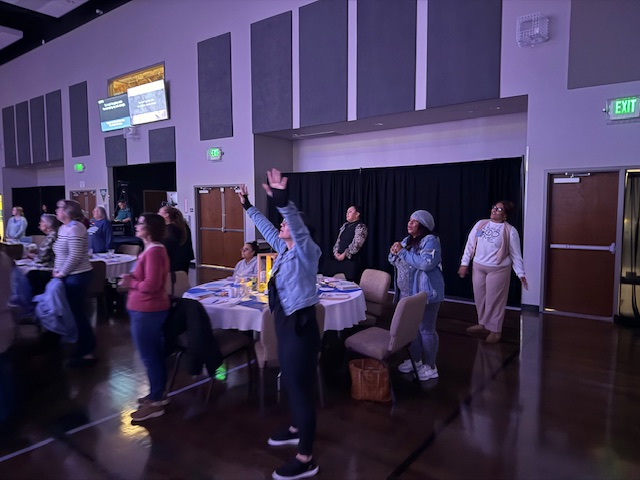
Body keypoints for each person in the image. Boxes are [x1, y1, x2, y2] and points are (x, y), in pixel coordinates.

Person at [237, 169, 322, 480]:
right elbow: (268, 227)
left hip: (300, 327)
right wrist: (248, 205)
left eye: (287, 223)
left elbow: (294, 226)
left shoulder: (307, 251)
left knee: (300, 389)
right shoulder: (285, 250)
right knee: (290, 381)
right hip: (286, 325)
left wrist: (284, 202)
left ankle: (306, 458)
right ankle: (296, 428)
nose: (282, 226)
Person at [118, 213, 170, 422]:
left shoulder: (154, 251)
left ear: (150, 229)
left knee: (150, 357)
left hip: (148, 310)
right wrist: (132, 278)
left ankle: (156, 403)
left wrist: (130, 283)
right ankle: (157, 394)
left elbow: (151, 285)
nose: (136, 226)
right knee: (154, 355)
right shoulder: (150, 249)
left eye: (141, 223)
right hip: (145, 309)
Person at [457, 201, 528, 344]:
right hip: (478, 266)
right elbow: (470, 244)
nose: (494, 210)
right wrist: (464, 263)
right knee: (480, 297)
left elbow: (515, 255)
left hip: (498, 269)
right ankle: (482, 323)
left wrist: (520, 273)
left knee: (494, 300)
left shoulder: (510, 231)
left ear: (505, 215)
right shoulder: (481, 224)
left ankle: (495, 331)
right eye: (494, 207)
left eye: (499, 209)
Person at [389, 210, 445, 381]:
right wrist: (394, 252)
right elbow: (394, 259)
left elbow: (426, 263)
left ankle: (431, 366)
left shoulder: (431, 240)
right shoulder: (407, 240)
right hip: (407, 293)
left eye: (414, 221)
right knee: (412, 329)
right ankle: (416, 361)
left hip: (426, 293)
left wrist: (402, 253)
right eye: (409, 220)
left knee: (426, 329)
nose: (410, 223)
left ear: (423, 224)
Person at [53, 199, 96, 366]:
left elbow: (75, 255)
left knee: (79, 314)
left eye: (59, 208)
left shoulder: (76, 228)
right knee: (72, 313)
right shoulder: (63, 228)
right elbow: (61, 254)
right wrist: (57, 270)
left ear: (68, 211)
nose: (56, 211)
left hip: (77, 276)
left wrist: (62, 273)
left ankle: (87, 351)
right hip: (67, 275)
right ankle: (79, 346)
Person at [327, 205, 368, 281]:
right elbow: (338, 241)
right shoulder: (345, 226)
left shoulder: (360, 226)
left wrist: (345, 254)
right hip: (339, 259)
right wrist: (336, 252)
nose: (347, 214)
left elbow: (357, 244)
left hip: (351, 261)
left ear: (357, 214)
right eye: (347, 212)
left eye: (350, 212)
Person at [0, 252, 16, 435]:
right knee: (5, 369)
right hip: (6, 319)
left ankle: (4, 421)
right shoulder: (4, 257)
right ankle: (10, 415)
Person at [158, 205, 195, 273]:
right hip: (184, 258)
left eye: (160, 212)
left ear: (166, 215)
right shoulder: (182, 225)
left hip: (174, 260)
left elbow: (168, 244)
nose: (158, 214)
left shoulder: (171, 229)